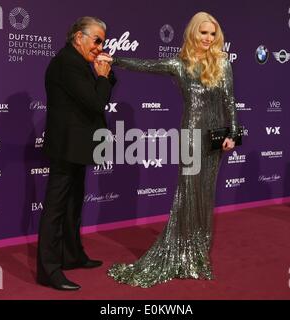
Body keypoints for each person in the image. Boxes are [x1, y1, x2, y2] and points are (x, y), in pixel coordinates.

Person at [101, 12, 238, 288]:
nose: (208, 39)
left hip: (214, 139)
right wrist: (114, 60)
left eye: (212, 34)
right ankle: (183, 254)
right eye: (203, 33)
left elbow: (230, 100)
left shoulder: (222, 63)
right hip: (191, 135)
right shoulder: (179, 64)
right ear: (192, 34)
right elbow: (146, 65)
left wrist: (233, 133)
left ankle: (198, 256)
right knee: (187, 193)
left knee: (205, 195)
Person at [36, 16, 116, 291]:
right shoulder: (67, 63)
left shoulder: (78, 62)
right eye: (96, 40)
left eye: (103, 41)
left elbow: (96, 93)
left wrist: (104, 73)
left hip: (78, 146)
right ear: (78, 37)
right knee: (56, 209)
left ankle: (71, 255)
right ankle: (48, 270)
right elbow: (96, 102)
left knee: (73, 205)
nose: (100, 46)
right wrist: (103, 76)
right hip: (66, 146)